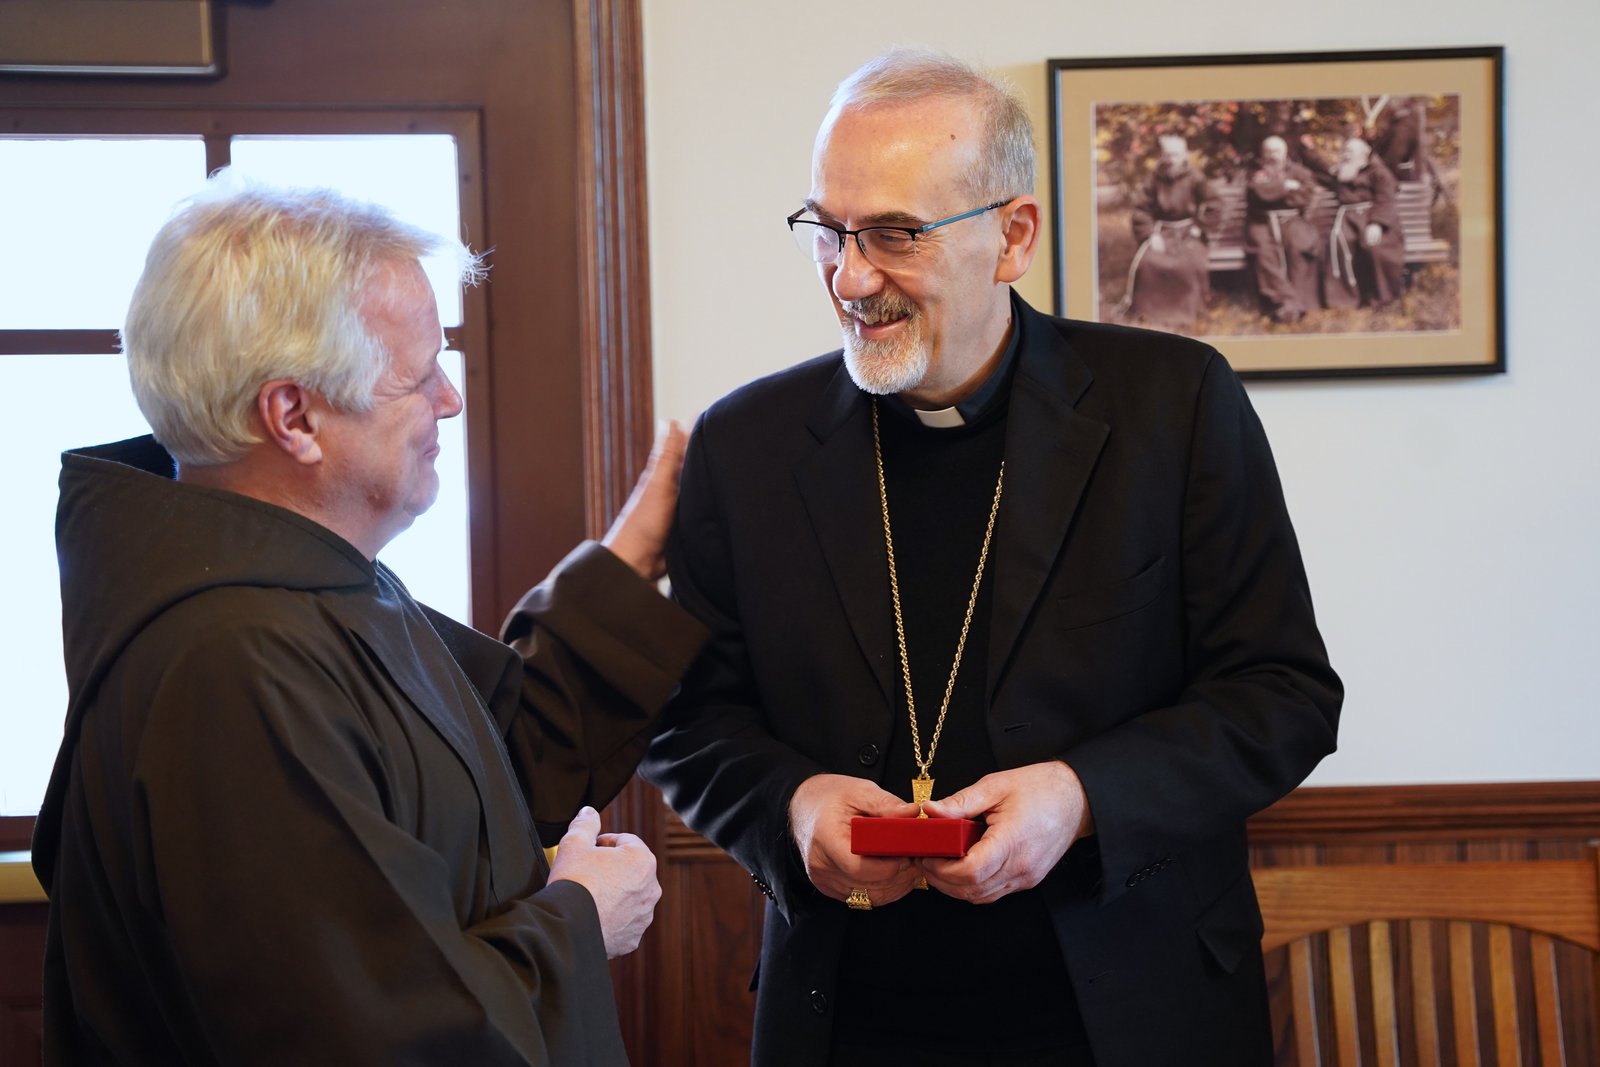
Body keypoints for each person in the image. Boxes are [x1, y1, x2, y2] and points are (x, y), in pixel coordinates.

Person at [642, 49, 1341, 1067]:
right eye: (827, 231)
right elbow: (689, 715)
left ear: (1012, 236)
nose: (849, 276)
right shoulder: (745, 443)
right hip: (850, 1011)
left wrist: (1081, 792)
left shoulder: (1172, 406)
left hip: (1127, 1009)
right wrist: (793, 804)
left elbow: (1282, 693)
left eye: (893, 234)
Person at [31, 179, 708, 1065]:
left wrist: (641, 543)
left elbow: (508, 751)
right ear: (295, 416)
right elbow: (375, 1036)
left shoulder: (302, 590)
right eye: (419, 372)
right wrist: (581, 918)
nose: (450, 399)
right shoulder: (233, 664)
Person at [1117, 133, 1215, 330]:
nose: (1172, 160)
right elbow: (1140, 210)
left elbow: (1215, 204)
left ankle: (1187, 313)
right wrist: (1150, 235)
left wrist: (1200, 227)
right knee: (1148, 264)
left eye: (1176, 155)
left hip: (1189, 232)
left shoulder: (1196, 178)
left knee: (1191, 264)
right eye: (1168, 155)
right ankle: (1151, 312)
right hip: (1161, 232)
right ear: (1162, 156)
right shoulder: (1153, 179)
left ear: (1185, 155)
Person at [1316, 136, 1406, 309]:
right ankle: (1343, 301)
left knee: (1376, 249)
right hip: (1347, 219)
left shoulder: (1379, 172)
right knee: (1339, 246)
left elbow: (1386, 200)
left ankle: (1382, 298)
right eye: (1344, 151)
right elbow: (1319, 172)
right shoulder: (1342, 172)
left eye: (1350, 152)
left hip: (1373, 218)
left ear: (1363, 155)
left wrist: (1377, 224)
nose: (1345, 155)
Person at [1244, 135, 1322, 324]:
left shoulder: (1299, 171)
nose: (1273, 155)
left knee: (1299, 247)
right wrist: (1286, 187)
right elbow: (1261, 194)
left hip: (1292, 220)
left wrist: (1275, 190)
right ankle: (1287, 302)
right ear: (1262, 154)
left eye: (1277, 151)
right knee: (1264, 254)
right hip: (1262, 221)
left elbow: (1306, 196)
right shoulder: (1255, 171)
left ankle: (1295, 301)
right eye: (1268, 151)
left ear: (1285, 152)